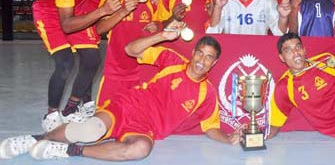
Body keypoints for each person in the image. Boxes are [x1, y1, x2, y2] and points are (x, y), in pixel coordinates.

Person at [0, 32, 240, 161]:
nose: (202, 60)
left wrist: (228, 138)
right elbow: (131, 50)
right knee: (91, 130)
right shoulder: (172, 61)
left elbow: (210, 128)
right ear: (194, 52)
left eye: (209, 57)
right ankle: (34, 139)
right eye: (200, 53)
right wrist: (161, 36)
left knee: (140, 150)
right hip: (128, 106)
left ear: (214, 63)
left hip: (146, 127)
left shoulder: (207, 93)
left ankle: (67, 151)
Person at [31, 0, 122, 132]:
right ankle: (52, 114)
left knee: (92, 58)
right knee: (65, 62)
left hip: (76, 9)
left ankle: (72, 108)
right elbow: (67, 25)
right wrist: (102, 11)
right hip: (52, 14)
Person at [94, 0, 161, 106]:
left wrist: (158, 25)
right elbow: (99, 29)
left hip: (142, 74)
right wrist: (122, 12)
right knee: (107, 121)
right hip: (114, 74)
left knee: (137, 123)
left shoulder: (154, 0)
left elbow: (161, 28)